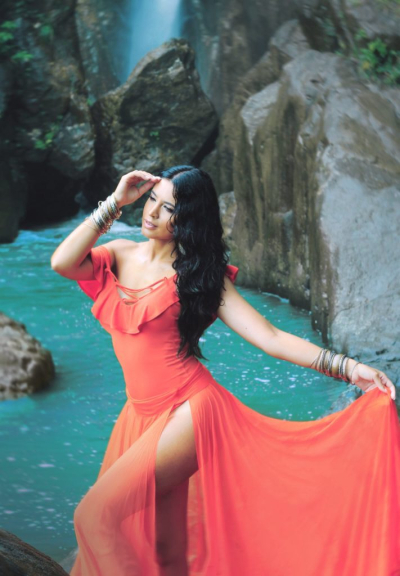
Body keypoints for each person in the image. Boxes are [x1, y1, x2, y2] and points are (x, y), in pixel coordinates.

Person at [51, 166, 400, 576]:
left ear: (189, 219)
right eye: (151, 201)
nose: (153, 214)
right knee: (167, 550)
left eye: (169, 209)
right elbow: (62, 262)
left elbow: (270, 336)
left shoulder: (199, 278)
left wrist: (349, 367)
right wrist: (116, 201)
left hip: (189, 410)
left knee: (94, 514)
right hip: (139, 415)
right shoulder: (119, 253)